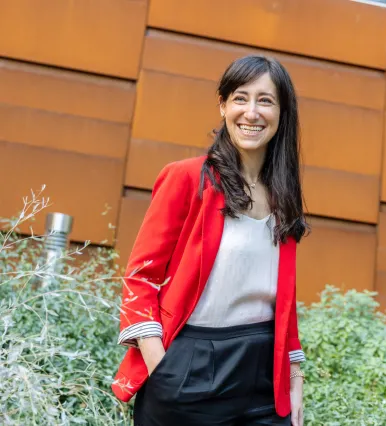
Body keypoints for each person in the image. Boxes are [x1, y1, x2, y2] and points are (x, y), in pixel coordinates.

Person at [111, 54, 309, 426]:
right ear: (222, 106)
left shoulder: (284, 195)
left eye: (265, 100)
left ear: (283, 113)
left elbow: (282, 299)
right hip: (191, 365)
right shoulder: (186, 178)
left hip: (264, 374)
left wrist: (295, 377)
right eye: (240, 98)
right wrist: (163, 370)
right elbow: (140, 278)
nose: (251, 112)